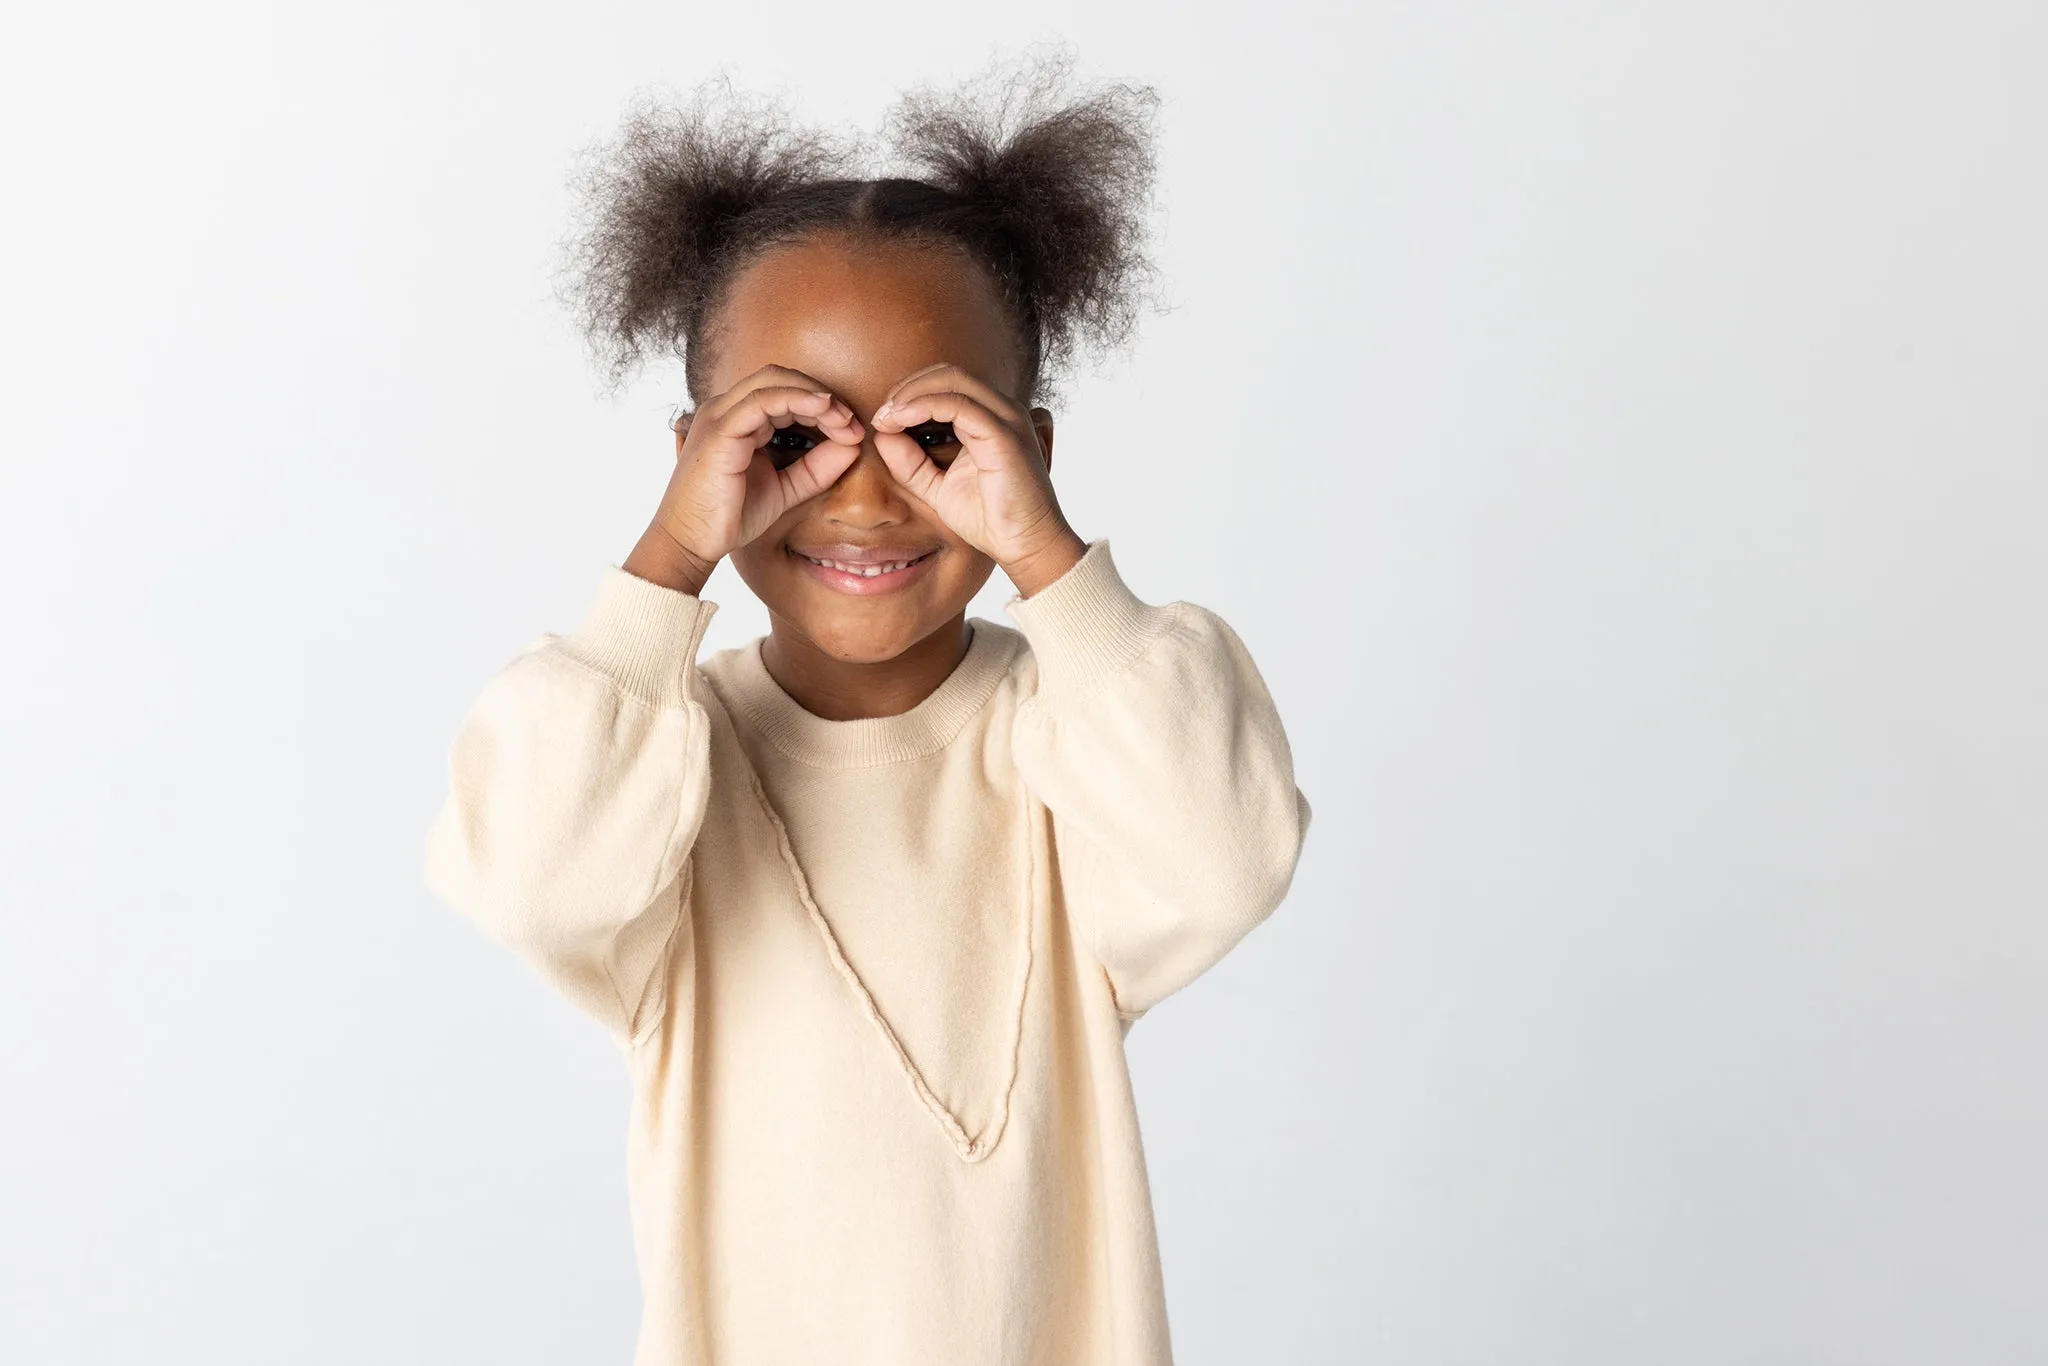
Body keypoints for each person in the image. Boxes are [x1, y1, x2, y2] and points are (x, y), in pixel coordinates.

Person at [424, 54, 1313, 1366]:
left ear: (1031, 452)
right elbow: (533, 877)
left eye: (936, 443)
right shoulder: (659, 768)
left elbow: (1228, 852)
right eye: (792, 441)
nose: (862, 502)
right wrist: (663, 564)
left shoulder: (1076, 737)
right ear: (694, 463)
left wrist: (1050, 563)